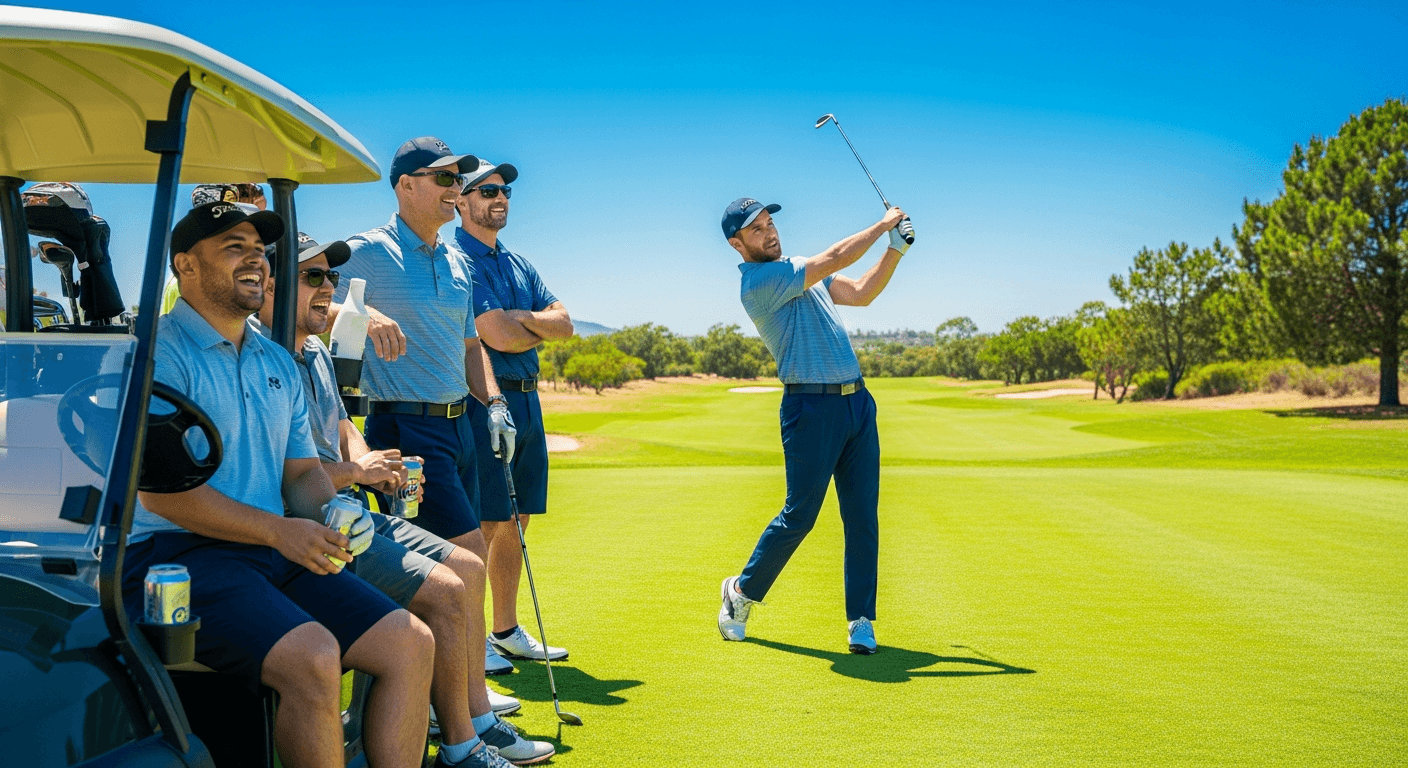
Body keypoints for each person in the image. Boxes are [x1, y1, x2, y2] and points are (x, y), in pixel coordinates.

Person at [123, 201, 434, 767]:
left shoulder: (276, 360)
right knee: (314, 656)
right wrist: (280, 532)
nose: (254, 262)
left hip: (265, 549)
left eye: (257, 250)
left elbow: (300, 475)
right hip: (176, 554)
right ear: (185, 266)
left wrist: (334, 512)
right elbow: (163, 495)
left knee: (409, 643)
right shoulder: (157, 356)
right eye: (232, 248)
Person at [255, 233, 553, 766]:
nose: (327, 288)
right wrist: (355, 471)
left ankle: (473, 721)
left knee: (466, 564)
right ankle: (461, 744)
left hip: (345, 512)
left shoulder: (316, 353)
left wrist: (372, 465)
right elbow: (283, 472)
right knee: (443, 591)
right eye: (311, 277)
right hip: (307, 529)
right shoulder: (264, 361)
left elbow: (342, 423)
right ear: (269, 286)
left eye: (330, 277)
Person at [329, 136, 517, 673]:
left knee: (449, 560)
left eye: (458, 179)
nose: (454, 189)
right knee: (466, 554)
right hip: (403, 427)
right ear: (405, 185)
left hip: (459, 427)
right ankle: (463, 684)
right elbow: (297, 297)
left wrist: (496, 403)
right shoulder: (366, 250)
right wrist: (362, 313)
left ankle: (449, 678)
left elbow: (469, 345)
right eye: (443, 178)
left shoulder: (457, 259)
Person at [715, 197, 911, 654]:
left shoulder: (803, 272)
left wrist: (895, 251)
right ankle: (741, 592)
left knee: (862, 515)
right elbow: (836, 257)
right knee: (800, 513)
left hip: (856, 403)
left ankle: (861, 619)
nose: (770, 232)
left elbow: (861, 291)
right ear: (737, 243)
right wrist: (883, 224)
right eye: (757, 229)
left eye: (769, 223)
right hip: (810, 408)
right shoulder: (761, 282)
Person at [452, 160, 574, 665]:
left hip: (529, 396)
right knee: (484, 522)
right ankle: (471, 636)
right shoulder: (459, 259)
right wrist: (528, 325)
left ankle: (505, 629)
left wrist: (519, 318)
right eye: (487, 191)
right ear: (460, 201)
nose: (499, 198)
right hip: (487, 399)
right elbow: (494, 337)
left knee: (517, 522)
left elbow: (564, 324)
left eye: (504, 191)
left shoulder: (520, 264)